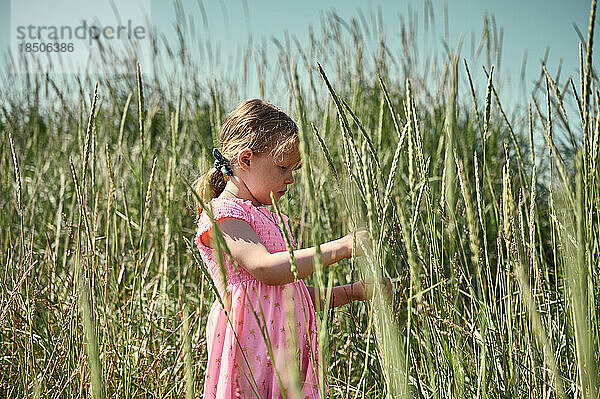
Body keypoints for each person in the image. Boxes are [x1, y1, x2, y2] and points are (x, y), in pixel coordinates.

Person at [192, 99, 378, 399]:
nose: (290, 178)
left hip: (285, 356)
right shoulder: (224, 215)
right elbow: (268, 270)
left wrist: (355, 291)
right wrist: (342, 247)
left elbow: (296, 296)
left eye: (293, 169)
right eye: (282, 168)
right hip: (251, 355)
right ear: (246, 159)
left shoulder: (270, 218)